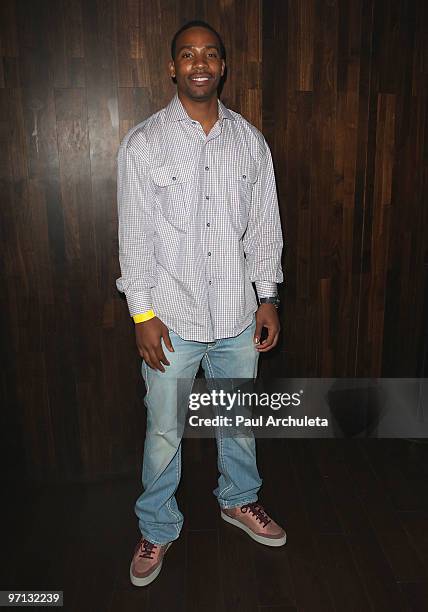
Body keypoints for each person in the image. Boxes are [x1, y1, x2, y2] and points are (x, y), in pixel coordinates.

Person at [116, 19, 286, 588]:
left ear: (223, 65)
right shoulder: (144, 143)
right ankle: (158, 527)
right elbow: (134, 236)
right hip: (171, 319)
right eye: (188, 54)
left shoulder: (249, 141)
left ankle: (239, 500)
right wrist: (141, 313)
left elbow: (264, 227)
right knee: (163, 429)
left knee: (236, 420)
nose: (199, 63)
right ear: (172, 67)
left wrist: (268, 297)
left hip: (238, 313)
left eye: (210, 53)